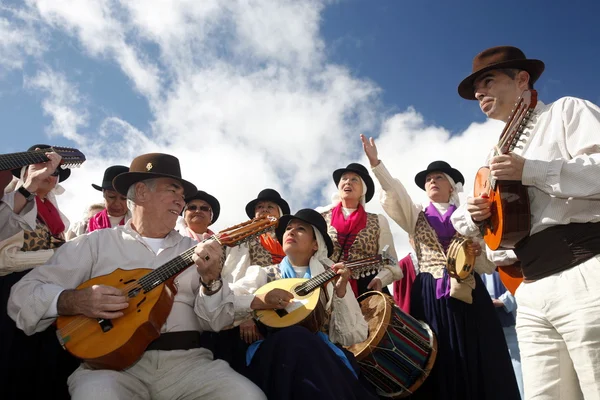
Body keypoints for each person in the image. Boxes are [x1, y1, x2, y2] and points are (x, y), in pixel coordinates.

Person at [8, 153, 266, 400]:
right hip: (109, 368)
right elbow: (23, 295)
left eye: (182, 195)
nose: (181, 200)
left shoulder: (196, 250)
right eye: (173, 190)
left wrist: (211, 281)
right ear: (141, 192)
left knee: (249, 396)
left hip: (189, 365)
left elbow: (216, 321)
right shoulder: (94, 243)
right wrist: (73, 301)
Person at [452, 45, 600, 399]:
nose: (479, 93)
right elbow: (482, 233)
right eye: (476, 90)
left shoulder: (566, 111)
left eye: (487, 80)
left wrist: (531, 170)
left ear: (521, 80)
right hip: (531, 290)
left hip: (585, 271)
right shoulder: (494, 154)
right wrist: (477, 216)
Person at [361, 135, 521, 400]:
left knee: (479, 353)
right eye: (428, 179)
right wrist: (377, 164)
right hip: (430, 291)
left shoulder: (471, 217)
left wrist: (477, 252)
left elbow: (486, 265)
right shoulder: (416, 215)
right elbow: (396, 193)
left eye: (438, 177)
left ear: (451, 186)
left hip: (469, 292)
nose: (432, 181)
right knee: (438, 353)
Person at [195, 208, 376, 400]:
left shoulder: (331, 281)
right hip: (275, 357)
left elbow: (353, 336)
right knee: (295, 338)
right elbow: (218, 310)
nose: (290, 231)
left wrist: (340, 294)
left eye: (300, 229)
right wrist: (258, 301)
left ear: (316, 244)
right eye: (288, 228)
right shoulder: (263, 274)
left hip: (319, 354)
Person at [0, 146, 79, 400]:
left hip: (50, 290)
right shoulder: (10, 199)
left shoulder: (59, 218)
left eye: (54, 171)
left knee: (46, 364)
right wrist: (27, 189)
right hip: (10, 286)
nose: (49, 174)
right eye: (39, 167)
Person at [317, 163, 401, 297]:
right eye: (344, 179)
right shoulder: (321, 216)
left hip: (366, 287)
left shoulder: (378, 221)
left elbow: (391, 260)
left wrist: (381, 278)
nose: (348, 182)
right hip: (325, 285)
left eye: (354, 179)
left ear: (363, 189)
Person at [480, 270, 524, 399]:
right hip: (482, 320)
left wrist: (504, 301)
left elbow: (518, 282)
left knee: (516, 361)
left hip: (508, 319)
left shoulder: (503, 259)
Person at [87, 165, 131, 233]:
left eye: (123, 198)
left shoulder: (137, 221)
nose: (117, 203)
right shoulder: (93, 222)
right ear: (104, 193)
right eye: (111, 196)